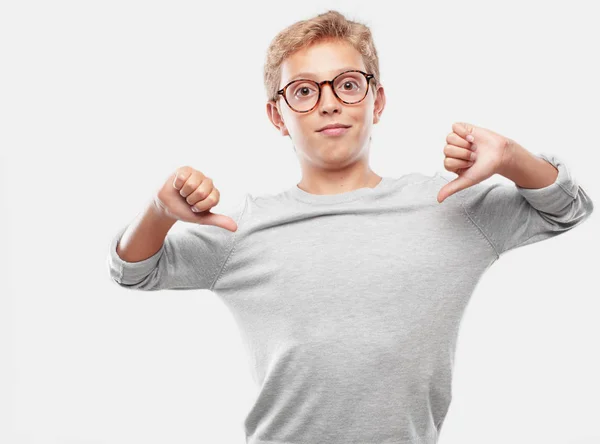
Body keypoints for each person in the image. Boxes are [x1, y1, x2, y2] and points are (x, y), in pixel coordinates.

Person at [106, 9, 594, 444]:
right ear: (278, 116)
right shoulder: (242, 230)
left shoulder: (449, 208)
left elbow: (567, 209)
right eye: (303, 90)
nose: (329, 103)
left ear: (376, 101)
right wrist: (160, 210)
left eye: (347, 84)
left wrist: (511, 158)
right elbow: (133, 270)